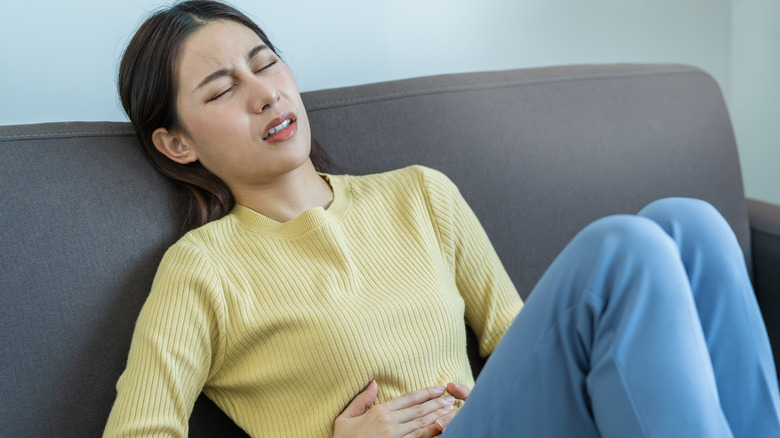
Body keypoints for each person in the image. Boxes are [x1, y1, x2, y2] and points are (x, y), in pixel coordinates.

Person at [104, 1, 780, 437]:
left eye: (265, 64)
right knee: (624, 247)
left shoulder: (421, 194)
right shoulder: (204, 269)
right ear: (177, 143)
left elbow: (525, 341)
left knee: (687, 223)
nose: (262, 94)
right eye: (222, 90)